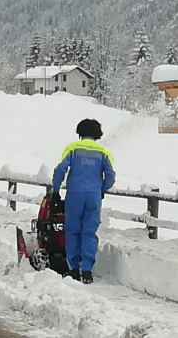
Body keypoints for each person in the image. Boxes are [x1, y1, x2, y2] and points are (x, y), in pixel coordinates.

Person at [52, 119, 115, 284]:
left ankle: (73, 269)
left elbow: (60, 170)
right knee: (89, 232)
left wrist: (56, 190)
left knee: (72, 230)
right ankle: (87, 271)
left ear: (79, 132)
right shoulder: (104, 152)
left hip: (74, 195)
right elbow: (110, 175)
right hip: (93, 195)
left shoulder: (72, 148)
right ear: (97, 134)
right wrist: (102, 189)